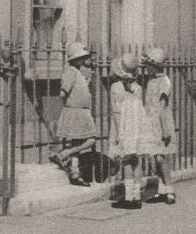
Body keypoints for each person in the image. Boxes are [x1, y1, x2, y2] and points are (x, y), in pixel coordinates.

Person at [51, 42, 97, 186]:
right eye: (83, 57)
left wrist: (90, 77)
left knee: (77, 141)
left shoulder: (77, 72)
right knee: (91, 140)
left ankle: (75, 173)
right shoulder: (71, 72)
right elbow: (63, 92)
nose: (85, 59)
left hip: (81, 111)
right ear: (77, 59)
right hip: (76, 111)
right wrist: (72, 105)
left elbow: (80, 88)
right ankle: (65, 154)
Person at [108, 52, 146, 208]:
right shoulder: (138, 88)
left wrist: (119, 134)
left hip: (123, 127)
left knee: (126, 161)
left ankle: (129, 197)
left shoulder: (115, 88)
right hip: (136, 128)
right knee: (136, 160)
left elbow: (116, 113)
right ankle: (137, 197)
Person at [141, 47, 177, 204]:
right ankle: (162, 190)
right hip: (151, 123)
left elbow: (162, 107)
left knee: (161, 158)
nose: (146, 68)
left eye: (148, 64)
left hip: (161, 124)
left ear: (154, 65)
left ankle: (170, 190)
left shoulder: (165, 81)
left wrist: (165, 130)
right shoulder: (151, 80)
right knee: (155, 158)